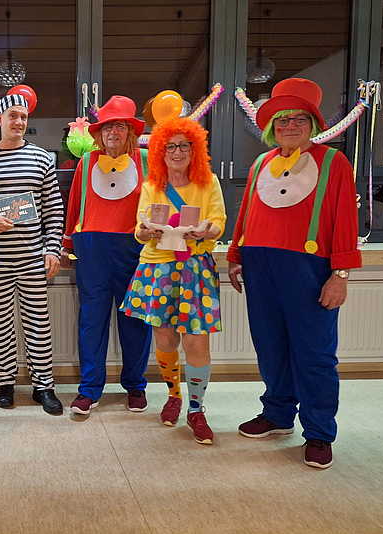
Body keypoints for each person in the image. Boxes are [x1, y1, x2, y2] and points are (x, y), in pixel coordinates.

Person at [227, 78, 362, 468]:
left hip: (308, 268)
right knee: (270, 346)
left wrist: (340, 274)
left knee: (314, 353)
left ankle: (319, 431)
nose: (290, 126)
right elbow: (246, 213)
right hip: (259, 265)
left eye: (299, 119)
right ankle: (278, 413)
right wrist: (236, 255)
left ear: (313, 124)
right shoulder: (261, 163)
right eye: (283, 120)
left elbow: (345, 220)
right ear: (273, 127)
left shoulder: (333, 162)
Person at [120, 117, 225, 444]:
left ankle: (196, 408)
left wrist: (206, 231)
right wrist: (146, 232)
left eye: (183, 145)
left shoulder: (209, 182)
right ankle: (174, 395)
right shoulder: (151, 186)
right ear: (159, 153)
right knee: (165, 340)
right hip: (157, 268)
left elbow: (219, 223)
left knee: (196, 341)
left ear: (195, 149)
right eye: (170, 147)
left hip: (195, 268)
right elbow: (139, 230)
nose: (177, 152)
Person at [0, 94, 64, 415]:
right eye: (12, 115)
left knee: (38, 323)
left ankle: (43, 386)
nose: (18, 121)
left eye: (23, 116)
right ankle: (5, 382)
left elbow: (53, 209)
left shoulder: (42, 158)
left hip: (33, 257)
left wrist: (53, 249)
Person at [60, 95, 153, 416]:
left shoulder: (146, 159)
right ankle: (89, 389)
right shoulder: (87, 162)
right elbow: (75, 204)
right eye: (108, 126)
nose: (114, 132)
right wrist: (67, 244)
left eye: (121, 126)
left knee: (136, 320)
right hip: (92, 248)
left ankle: (136, 385)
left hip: (134, 247)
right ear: (99, 133)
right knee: (91, 320)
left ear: (131, 132)